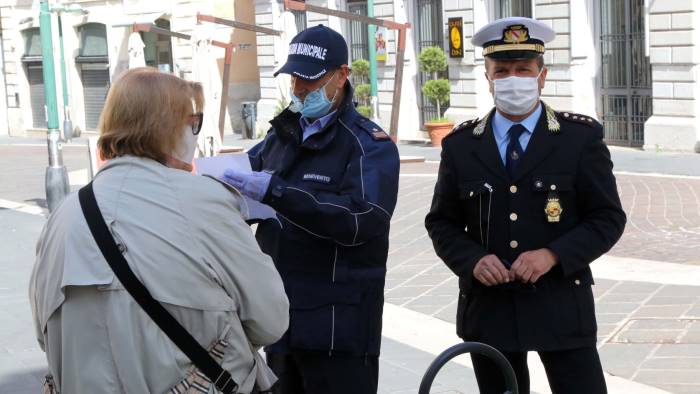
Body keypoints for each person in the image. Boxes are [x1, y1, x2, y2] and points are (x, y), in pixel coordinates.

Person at [29, 68, 289, 394]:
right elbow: (271, 319)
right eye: (193, 123)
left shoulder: (64, 216)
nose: (195, 134)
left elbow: (45, 335)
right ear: (169, 130)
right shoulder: (202, 201)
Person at [425, 17, 626, 394]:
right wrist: (472, 260)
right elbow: (441, 222)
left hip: (561, 303)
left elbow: (608, 217)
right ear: (488, 78)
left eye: (523, 69)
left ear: (542, 76)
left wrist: (552, 254)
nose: (512, 79)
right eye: (501, 71)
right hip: (490, 309)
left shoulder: (577, 139)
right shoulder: (462, 145)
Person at [221, 25, 400, 394]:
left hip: (339, 328)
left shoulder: (368, 145)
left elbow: (360, 219)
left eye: (310, 79)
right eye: (294, 78)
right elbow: (243, 175)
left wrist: (279, 192)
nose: (300, 88)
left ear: (342, 76)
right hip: (281, 318)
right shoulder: (281, 135)